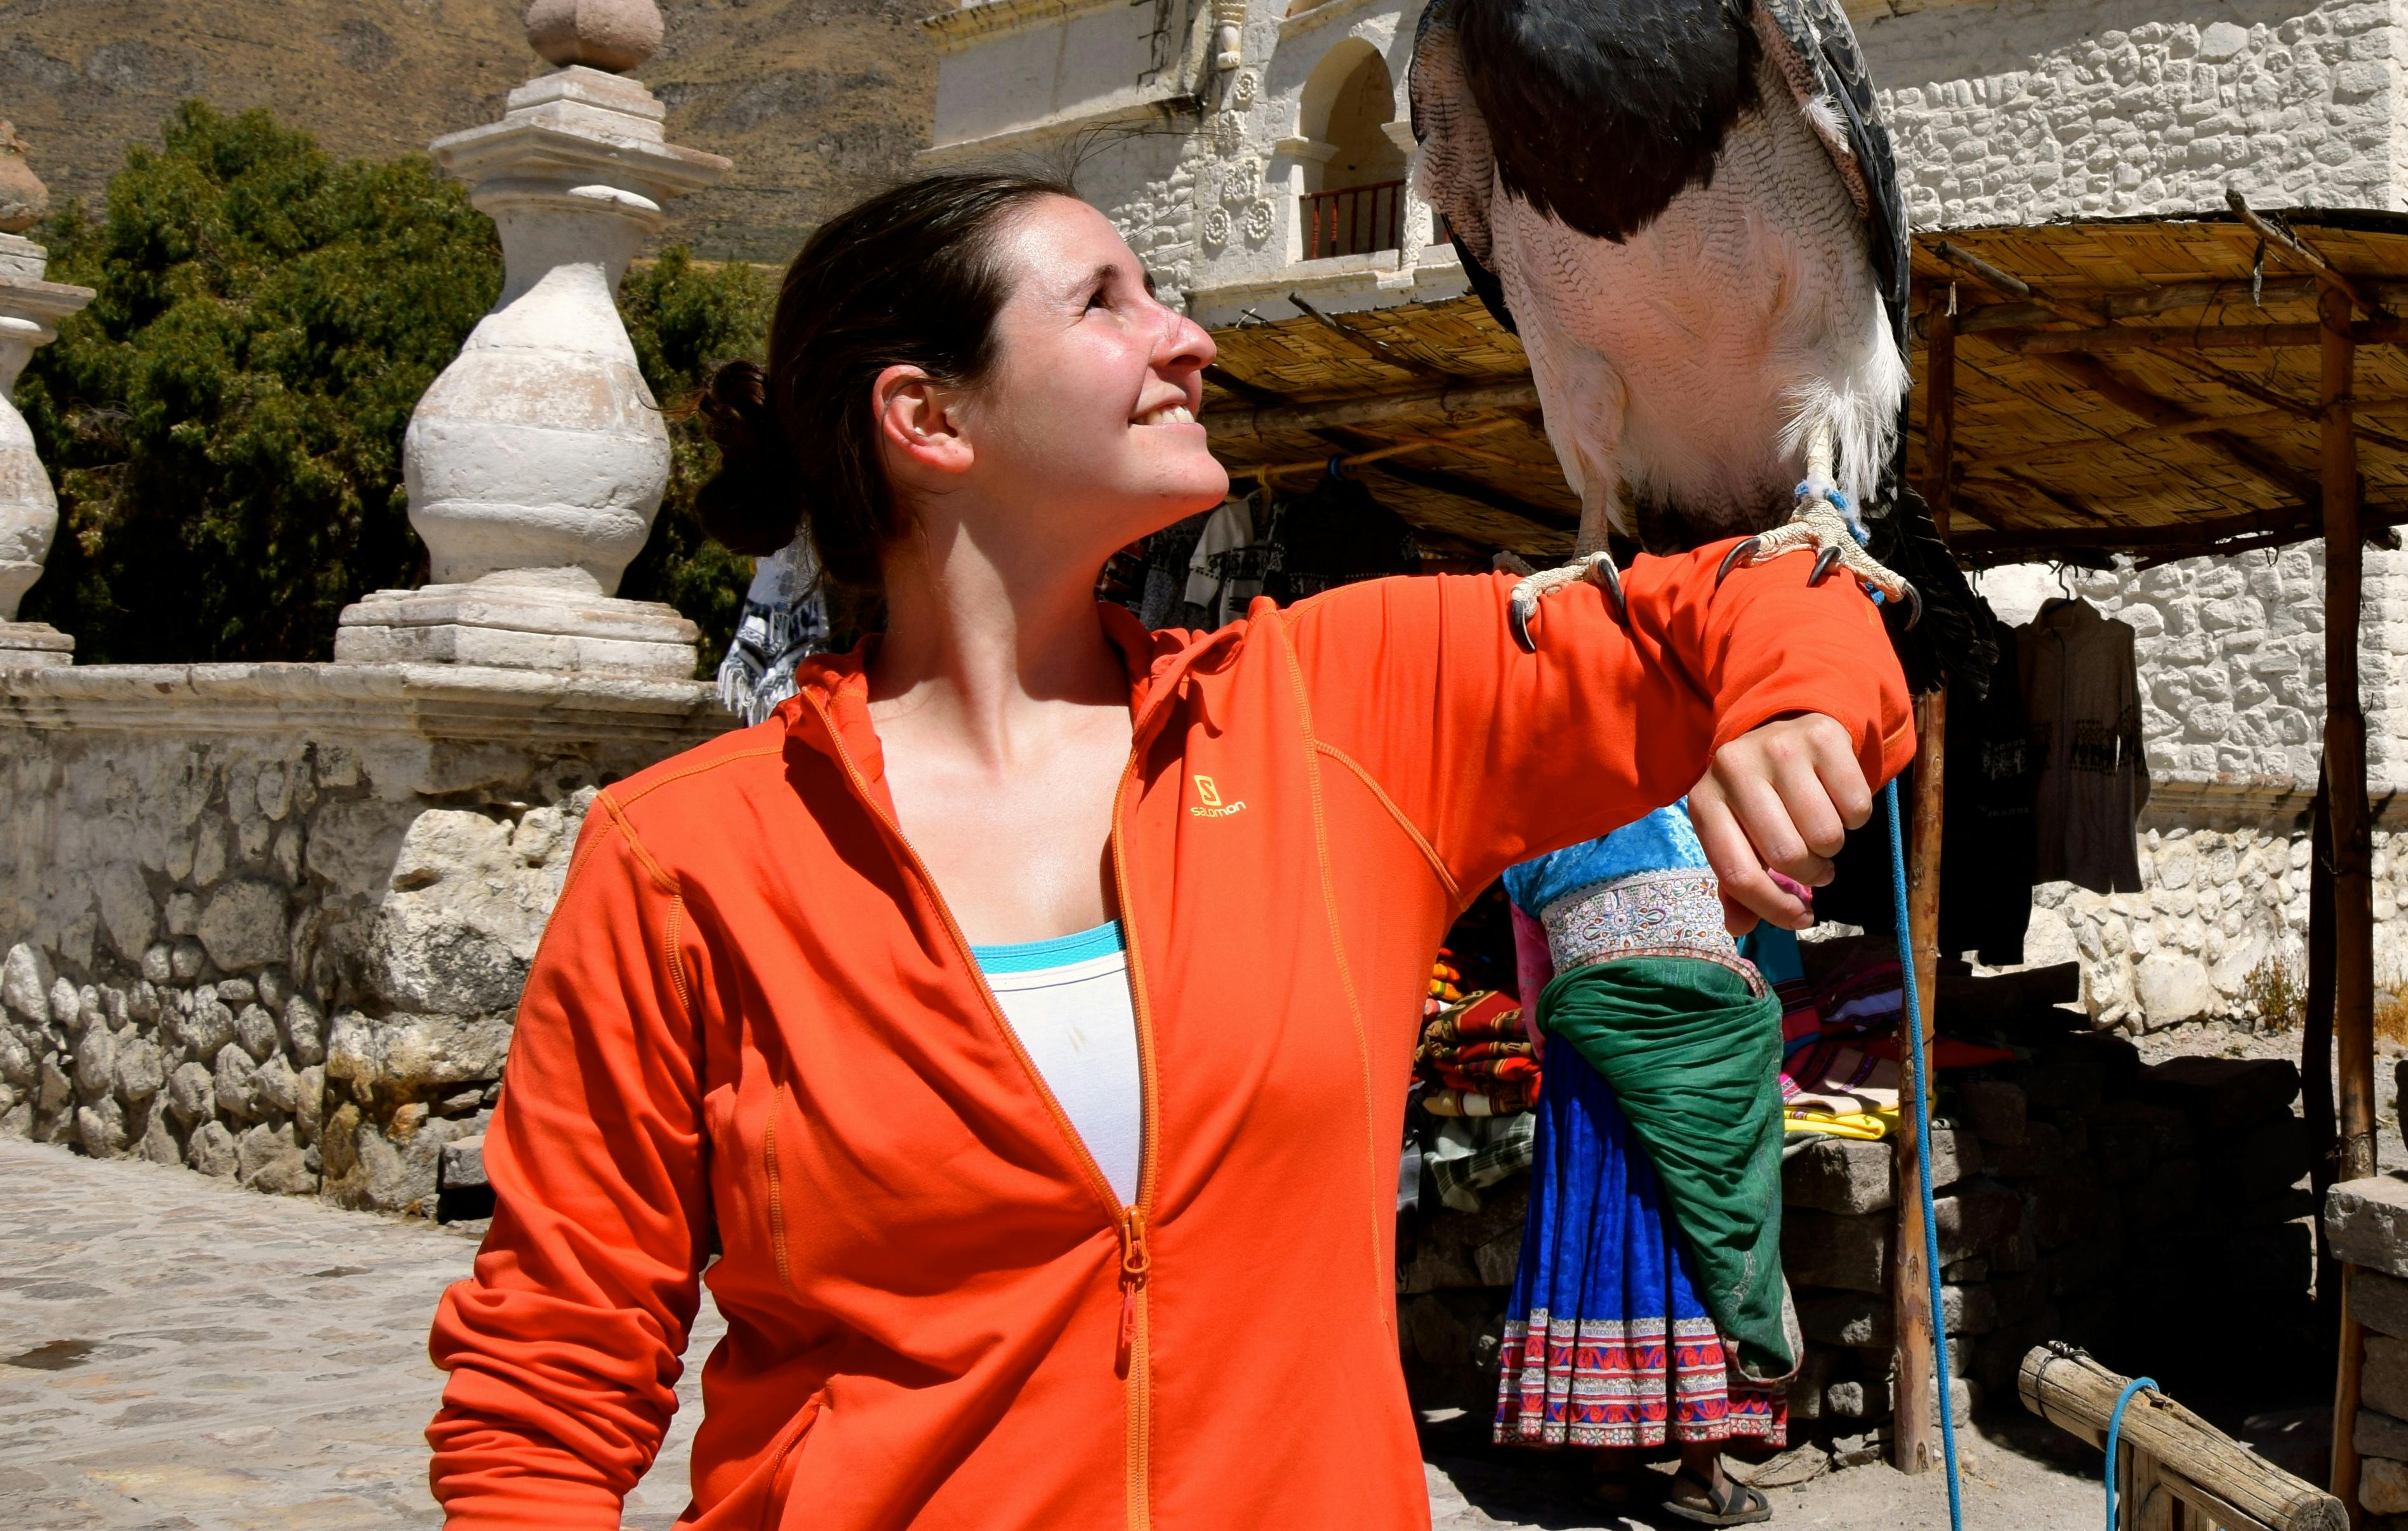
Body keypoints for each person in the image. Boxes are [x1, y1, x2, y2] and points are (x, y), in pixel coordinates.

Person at [424, 173, 1909, 1529]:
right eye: (1104, 300)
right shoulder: (685, 860)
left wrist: (1791, 704)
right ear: (930, 419)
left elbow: (1764, 592)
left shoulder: (1338, 713)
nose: (1187, 337)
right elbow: (545, 1386)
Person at [1497, 803, 1802, 1526]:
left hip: (1590, 1057)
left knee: (1605, 1221)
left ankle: (1609, 1463)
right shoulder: (1700, 796)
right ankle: (1701, 1471)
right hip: (1698, 1042)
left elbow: (1537, 1003)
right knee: (1694, 1221)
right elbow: (1779, 903)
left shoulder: (1526, 834)